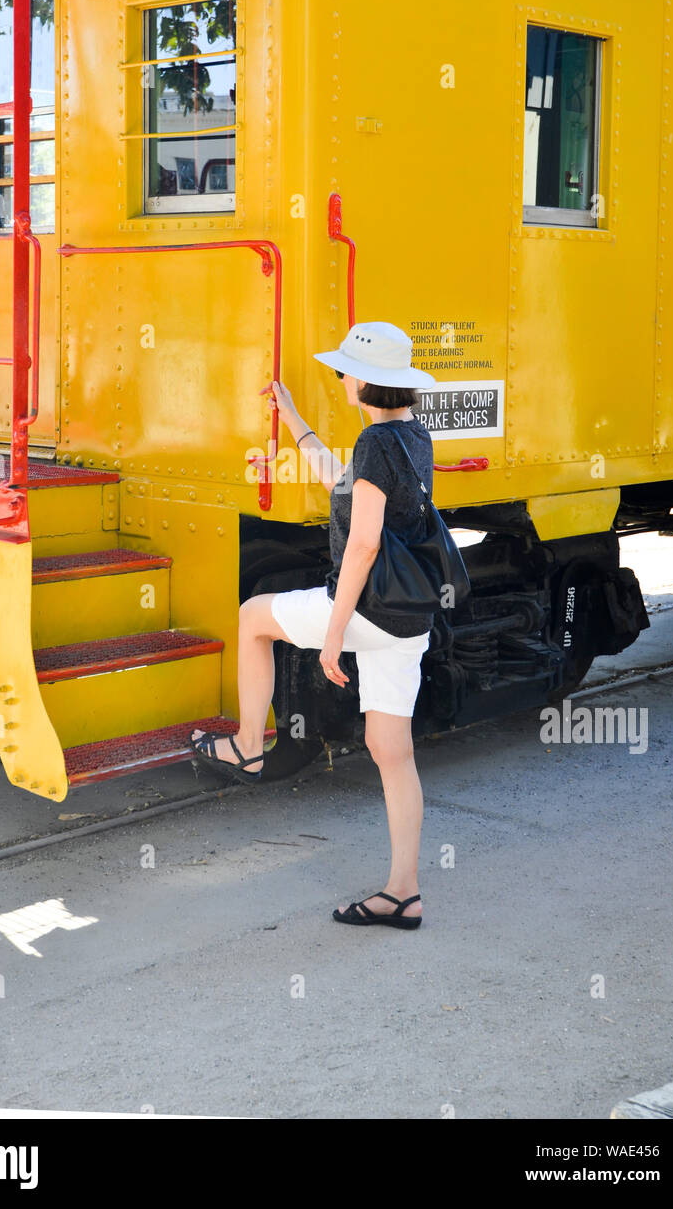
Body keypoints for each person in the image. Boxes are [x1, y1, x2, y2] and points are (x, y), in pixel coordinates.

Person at [190, 321, 439, 931]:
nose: (343, 378)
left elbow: (363, 543)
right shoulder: (412, 436)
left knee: (254, 620)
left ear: (366, 382)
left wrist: (334, 635)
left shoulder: (377, 445)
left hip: (368, 613)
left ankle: (250, 745)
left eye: (346, 371)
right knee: (392, 752)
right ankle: (403, 893)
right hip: (410, 619)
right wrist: (296, 421)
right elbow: (345, 489)